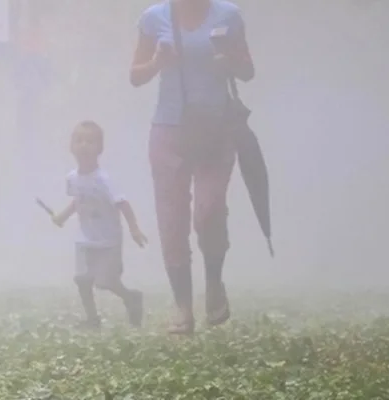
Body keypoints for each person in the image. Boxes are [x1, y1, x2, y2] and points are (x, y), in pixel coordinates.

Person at [131, 0, 254, 335]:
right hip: (169, 129)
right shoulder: (154, 18)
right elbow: (135, 75)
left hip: (216, 128)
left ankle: (214, 282)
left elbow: (247, 70)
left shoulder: (228, 14)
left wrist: (227, 62)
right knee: (172, 220)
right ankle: (183, 306)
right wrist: (157, 62)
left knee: (209, 209)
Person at [49, 121, 147, 329]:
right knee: (82, 279)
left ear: (99, 148)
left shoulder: (104, 179)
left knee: (105, 282)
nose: (84, 145)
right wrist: (62, 217)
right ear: (71, 146)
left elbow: (122, 203)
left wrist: (134, 229)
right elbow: (78, 200)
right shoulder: (72, 178)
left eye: (90, 141)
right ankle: (92, 319)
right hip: (85, 238)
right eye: (79, 140)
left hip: (108, 239)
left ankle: (131, 298)